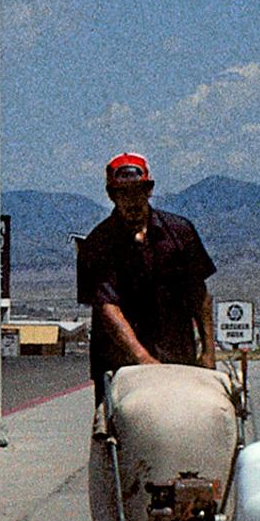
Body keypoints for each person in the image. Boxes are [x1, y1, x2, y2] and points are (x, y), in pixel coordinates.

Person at [75, 152, 215, 385]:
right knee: (114, 419)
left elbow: (198, 294)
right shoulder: (98, 245)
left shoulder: (180, 233)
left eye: (138, 191)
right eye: (123, 193)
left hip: (177, 356)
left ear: (149, 191)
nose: (132, 200)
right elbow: (108, 308)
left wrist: (209, 352)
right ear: (112, 195)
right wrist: (143, 359)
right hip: (120, 365)